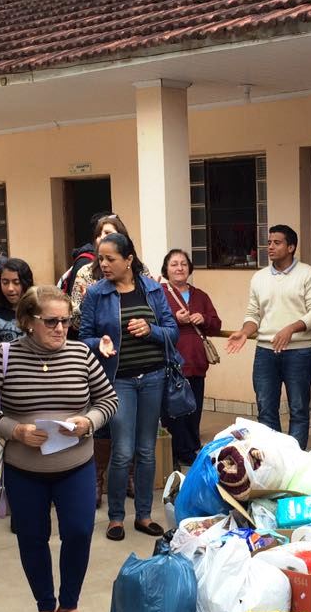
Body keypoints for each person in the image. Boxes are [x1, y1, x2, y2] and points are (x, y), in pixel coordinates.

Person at [0, 286, 118, 612]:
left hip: (77, 465)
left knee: (79, 533)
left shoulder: (81, 354)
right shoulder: (4, 356)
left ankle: (70, 604)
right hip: (25, 470)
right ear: (27, 322)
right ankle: (46, 605)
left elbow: (107, 399)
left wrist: (89, 422)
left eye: (66, 320)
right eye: (51, 321)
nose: (60, 328)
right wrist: (14, 429)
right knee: (32, 538)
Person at [79, 232, 179, 541]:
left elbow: (172, 332)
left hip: (153, 378)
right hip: (118, 380)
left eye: (110, 259)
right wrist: (101, 342)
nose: (104, 264)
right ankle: (116, 517)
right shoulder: (96, 293)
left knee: (146, 451)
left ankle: (145, 515)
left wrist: (150, 330)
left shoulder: (152, 289)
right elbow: (84, 337)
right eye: (101, 259)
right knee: (122, 451)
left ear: (129, 260)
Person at [225, 224, 311, 449]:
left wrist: (291, 328)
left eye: (276, 242)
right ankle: (273, 457)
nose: (270, 246)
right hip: (265, 352)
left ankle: (295, 459)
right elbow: (253, 314)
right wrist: (244, 332)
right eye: (269, 242)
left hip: (299, 352)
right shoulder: (259, 277)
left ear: (291, 247)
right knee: (265, 409)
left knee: (299, 409)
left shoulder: (308, 274)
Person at [72, 213, 131, 504]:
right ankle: (96, 478)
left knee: (127, 425)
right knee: (102, 422)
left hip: (129, 362)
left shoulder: (138, 276)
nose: (102, 239)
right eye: (99, 234)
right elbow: (75, 318)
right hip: (96, 360)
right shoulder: (86, 274)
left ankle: (126, 475)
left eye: (110, 233)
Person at [161, 248, 221, 466]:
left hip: (196, 361)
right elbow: (152, 324)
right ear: (166, 269)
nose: (179, 268)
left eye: (183, 264)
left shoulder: (200, 296)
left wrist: (202, 318)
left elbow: (216, 325)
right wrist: (174, 319)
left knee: (193, 408)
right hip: (171, 362)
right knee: (174, 411)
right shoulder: (159, 293)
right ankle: (179, 452)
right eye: (174, 264)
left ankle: (190, 448)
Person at [0, 258, 34, 343]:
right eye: (5, 282)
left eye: (16, 282)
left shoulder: (37, 310)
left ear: (26, 282)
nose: (10, 288)